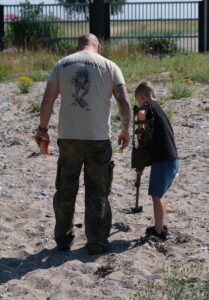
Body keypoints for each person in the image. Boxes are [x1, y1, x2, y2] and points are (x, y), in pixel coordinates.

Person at [35, 33, 131, 254]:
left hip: (69, 137)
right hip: (98, 138)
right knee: (98, 192)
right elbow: (124, 101)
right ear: (99, 46)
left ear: (78, 46)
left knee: (65, 190)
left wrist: (42, 129)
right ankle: (96, 241)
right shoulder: (110, 66)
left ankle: (63, 238)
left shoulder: (62, 64)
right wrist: (125, 129)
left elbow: (47, 99)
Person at [134, 81, 179, 240]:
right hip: (171, 159)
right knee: (160, 194)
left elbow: (140, 114)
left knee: (156, 195)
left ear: (142, 97)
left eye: (137, 101)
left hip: (164, 160)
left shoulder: (148, 106)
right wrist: (142, 163)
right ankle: (160, 225)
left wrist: (140, 133)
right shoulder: (159, 110)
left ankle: (159, 232)